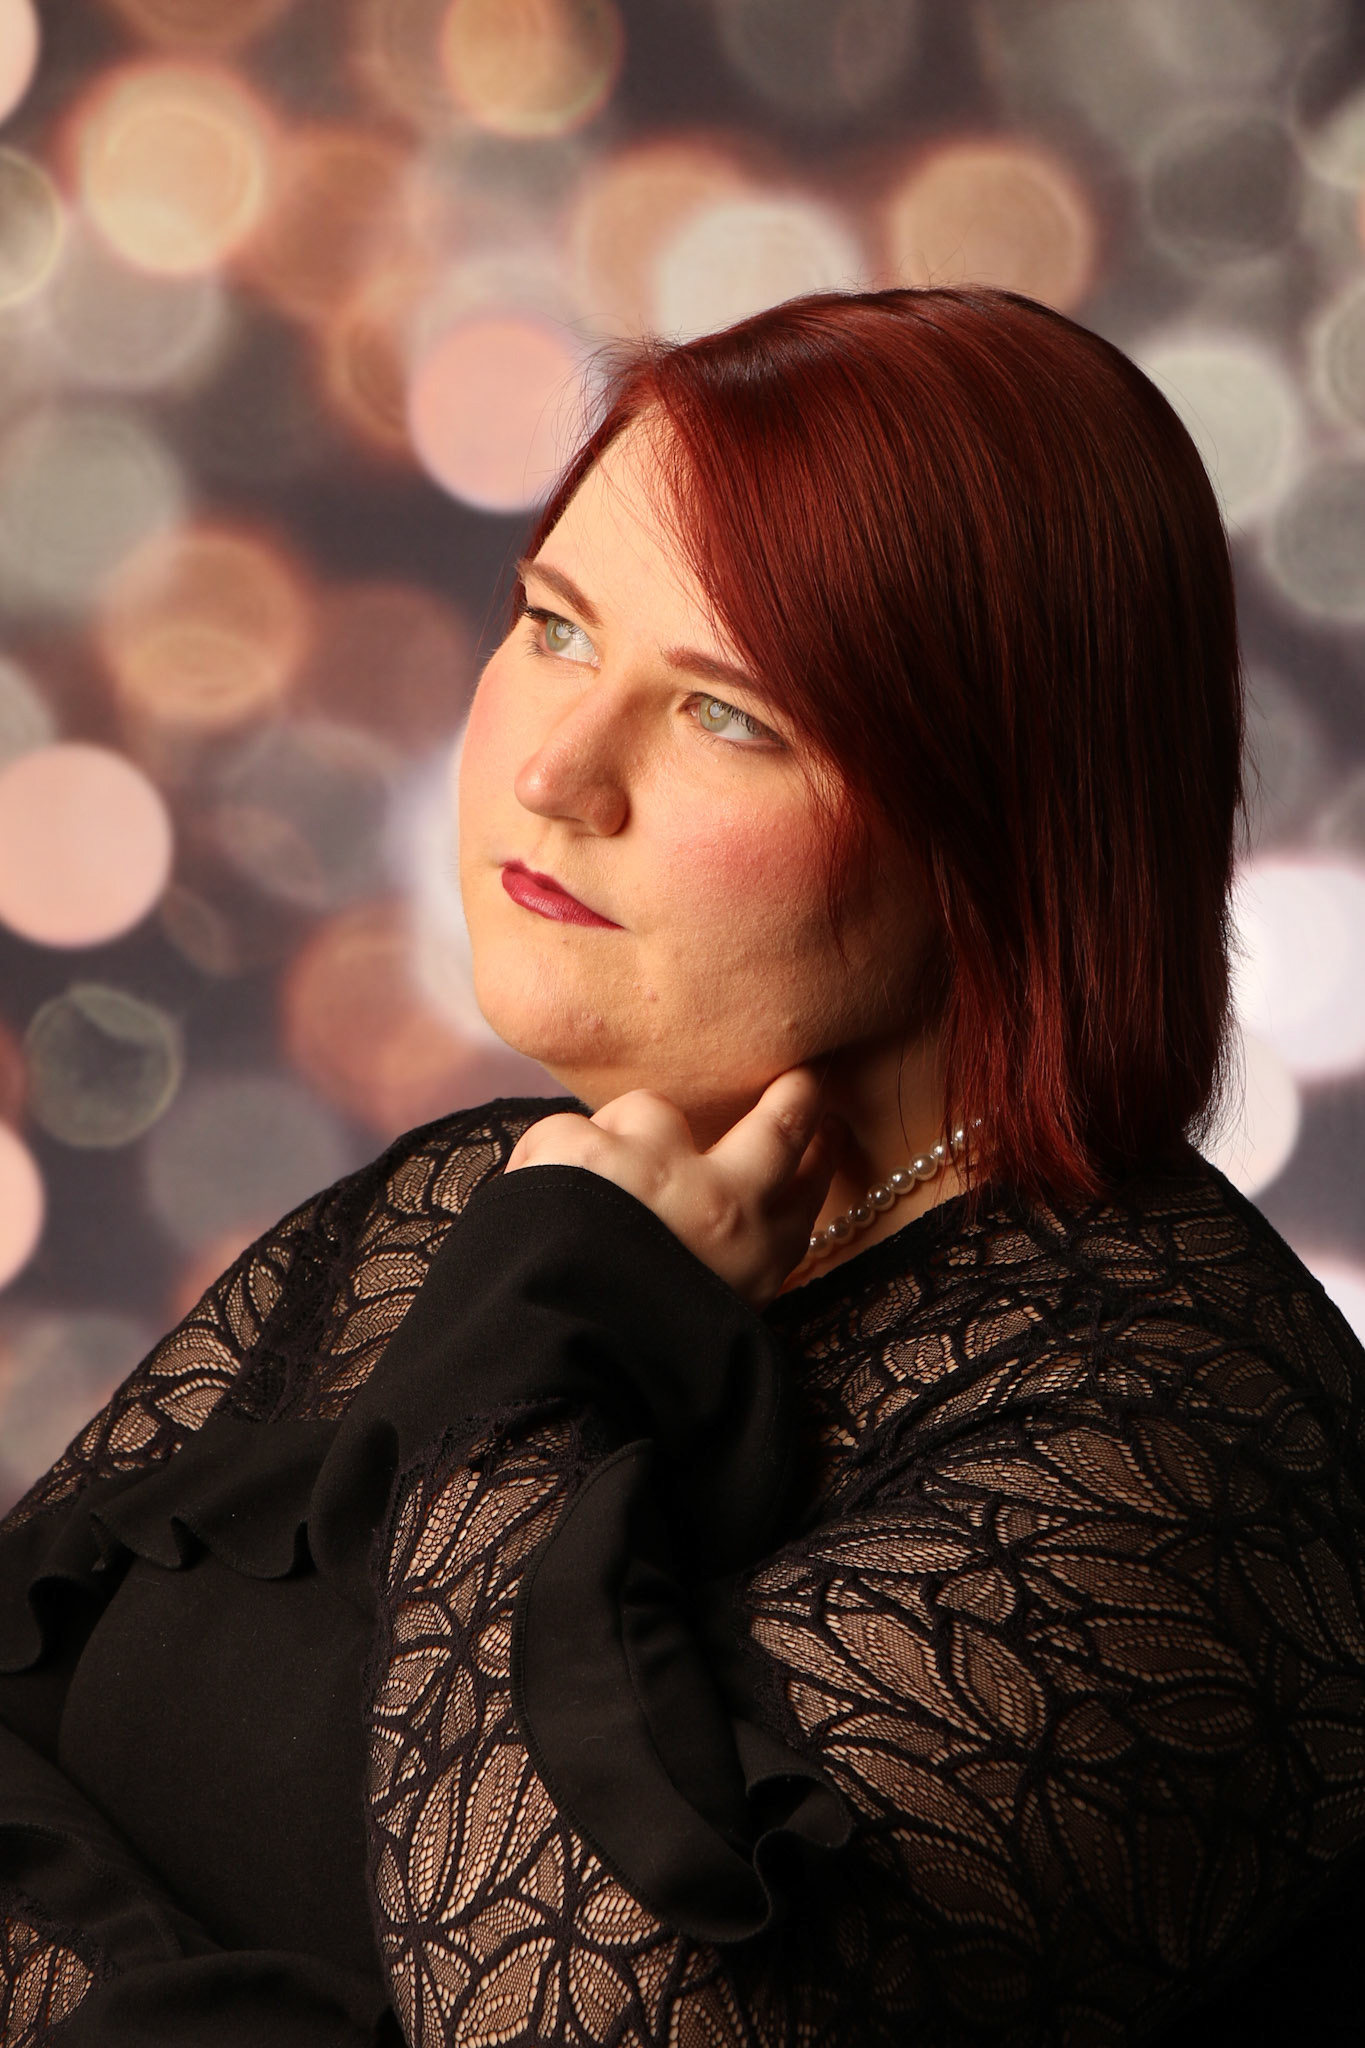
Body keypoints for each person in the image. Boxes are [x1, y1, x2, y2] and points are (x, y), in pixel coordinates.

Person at [1, 284, 1363, 2048]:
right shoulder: (452, 1206)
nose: (553, 770)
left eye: (726, 715)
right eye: (554, 626)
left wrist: (549, 1346)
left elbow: (589, 2016)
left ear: (1004, 833)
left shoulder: (1179, 1447)